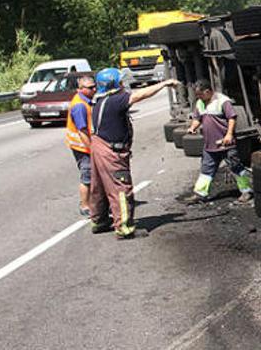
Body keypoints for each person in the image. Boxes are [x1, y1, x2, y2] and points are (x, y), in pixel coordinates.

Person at [88, 68, 179, 239]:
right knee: (120, 188)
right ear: (114, 84)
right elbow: (140, 95)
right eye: (120, 81)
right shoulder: (115, 100)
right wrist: (165, 83)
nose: (123, 85)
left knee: (99, 186)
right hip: (110, 151)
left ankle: (99, 221)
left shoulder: (100, 99)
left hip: (99, 146)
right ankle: (124, 228)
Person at [185, 79, 253, 204]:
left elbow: (231, 118)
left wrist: (229, 134)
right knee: (206, 169)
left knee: (235, 166)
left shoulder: (223, 101)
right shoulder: (200, 103)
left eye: (200, 94)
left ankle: (246, 191)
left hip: (225, 143)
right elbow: (197, 118)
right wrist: (192, 127)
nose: (199, 97)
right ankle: (200, 193)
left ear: (208, 91)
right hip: (210, 145)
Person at [65, 75, 96, 216]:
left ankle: (92, 202)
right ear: (80, 89)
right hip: (82, 147)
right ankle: (85, 206)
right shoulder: (79, 105)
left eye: (94, 86)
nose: (94, 89)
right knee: (87, 176)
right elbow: (82, 130)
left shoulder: (87, 101)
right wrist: (92, 149)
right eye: (90, 87)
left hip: (83, 144)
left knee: (91, 175)